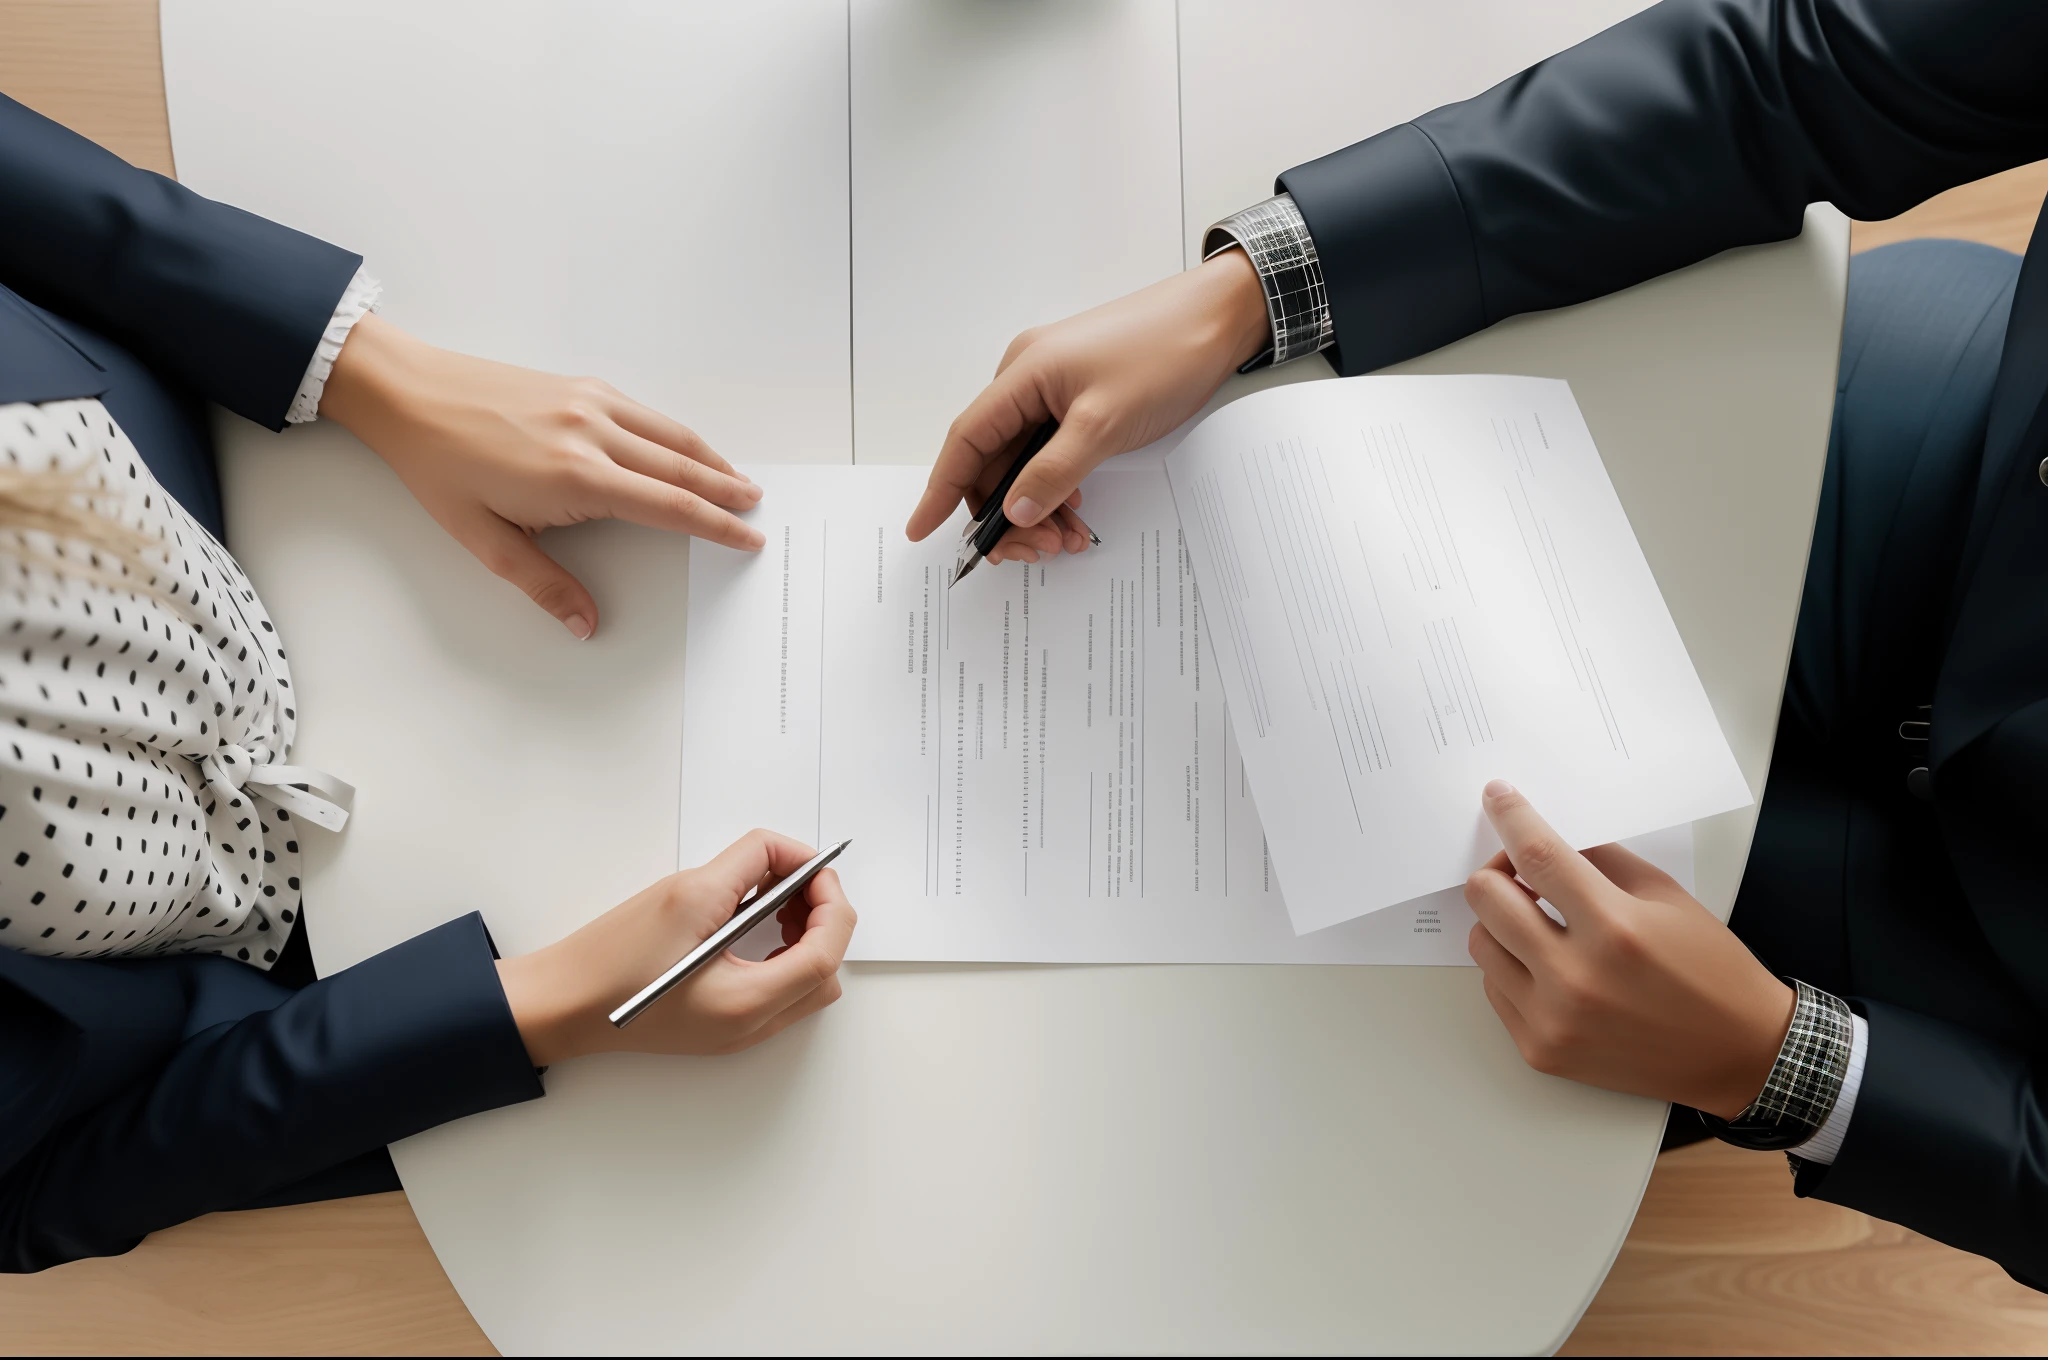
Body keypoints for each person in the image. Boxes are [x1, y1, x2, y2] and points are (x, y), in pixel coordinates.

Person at [911, 0, 2048, 1286]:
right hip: (1955, 465)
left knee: (1385, 1038)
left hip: (1969, 978)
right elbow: (1807, 68)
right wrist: (1257, 289)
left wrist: (1780, 1065)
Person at [0, 90, 854, 1273]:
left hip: (252, 456)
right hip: (293, 1014)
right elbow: (35, 1183)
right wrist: (546, 1006)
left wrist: (365, 371)